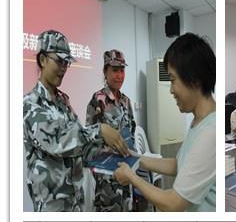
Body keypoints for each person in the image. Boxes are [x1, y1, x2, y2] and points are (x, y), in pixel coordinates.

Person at [23, 29, 129, 212]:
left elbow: (80, 145)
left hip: (75, 202)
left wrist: (112, 152)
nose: (63, 68)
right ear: (42, 60)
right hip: (52, 206)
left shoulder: (63, 101)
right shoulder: (30, 104)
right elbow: (57, 141)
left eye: (67, 62)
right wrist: (100, 130)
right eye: (59, 61)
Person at [114, 33, 216, 212]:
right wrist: (135, 159)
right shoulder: (198, 122)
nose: (171, 90)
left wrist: (131, 177)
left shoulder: (210, 132)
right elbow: (178, 164)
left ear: (195, 80)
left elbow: (173, 203)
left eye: (173, 80)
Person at [86, 50, 136, 212]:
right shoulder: (97, 100)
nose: (119, 75)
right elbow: (89, 139)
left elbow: (132, 133)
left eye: (122, 70)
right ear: (105, 72)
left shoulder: (126, 101)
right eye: (115, 70)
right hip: (107, 179)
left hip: (126, 172)